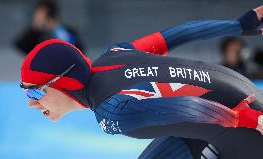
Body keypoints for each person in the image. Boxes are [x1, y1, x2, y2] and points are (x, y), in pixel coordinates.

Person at [20, 5, 263, 159]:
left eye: (35, 93)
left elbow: (186, 107)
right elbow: (177, 34)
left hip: (245, 128)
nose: (33, 104)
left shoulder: (111, 112)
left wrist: (246, 119)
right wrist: (238, 26)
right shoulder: (113, 54)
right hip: (232, 102)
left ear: (64, 82)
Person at [15, 0, 84, 56]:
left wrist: (55, 28)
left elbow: (78, 49)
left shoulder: (67, 32)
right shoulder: (36, 35)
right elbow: (21, 46)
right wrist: (35, 28)